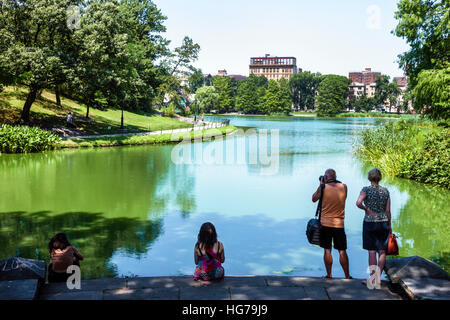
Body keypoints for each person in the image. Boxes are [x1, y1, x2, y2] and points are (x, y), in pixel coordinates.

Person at [312, 169, 352, 279]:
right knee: (342, 250)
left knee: (327, 250)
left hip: (325, 224)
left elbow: (314, 199)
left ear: (325, 177)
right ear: (335, 176)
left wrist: (321, 185)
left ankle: (329, 275)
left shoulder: (323, 187)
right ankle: (347, 276)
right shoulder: (344, 187)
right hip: (339, 224)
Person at [356, 168, 391, 289]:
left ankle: (372, 280)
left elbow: (358, 203)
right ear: (379, 177)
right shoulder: (385, 191)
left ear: (369, 177)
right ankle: (378, 279)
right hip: (384, 223)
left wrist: (367, 210)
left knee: (371, 251)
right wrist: (390, 226)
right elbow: (388, 211)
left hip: (370, 223)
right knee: (382, 251)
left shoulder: (366, 189)